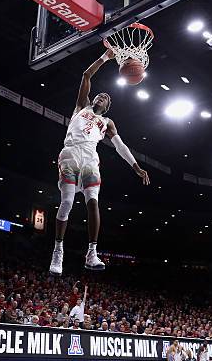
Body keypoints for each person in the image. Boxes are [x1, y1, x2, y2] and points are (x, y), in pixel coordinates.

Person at [49, 49, 150, 275]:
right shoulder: (81, 107)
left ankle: (92, 253)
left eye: (105, 97)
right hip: (71, 153)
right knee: (66, 202)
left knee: (92, 202)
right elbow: (86, 76)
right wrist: (105, 57)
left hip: (90, 157)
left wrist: (136, 166)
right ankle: (58, 251)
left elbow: (120, 146)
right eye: (99, 95)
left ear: (107, 106)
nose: (101, 96)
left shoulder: (107, 123)